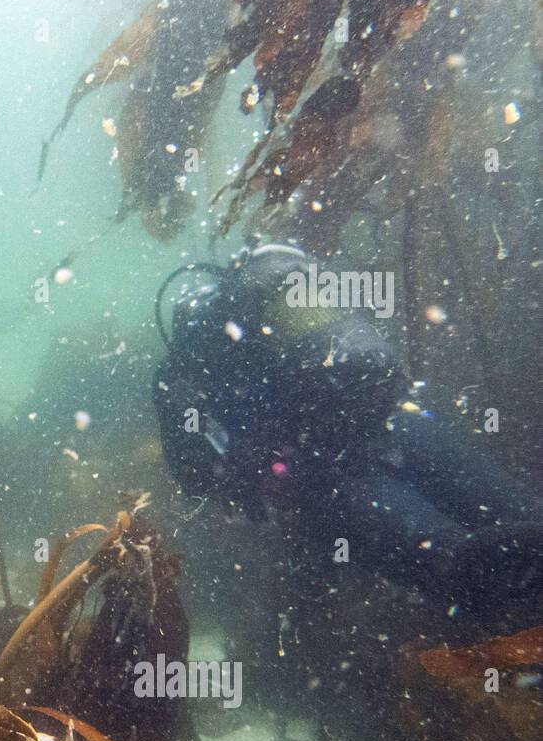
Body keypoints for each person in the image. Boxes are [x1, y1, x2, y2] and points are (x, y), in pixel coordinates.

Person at [153, 243, 543, 615]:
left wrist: (253, 480)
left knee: (456, 562)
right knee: (517, 510)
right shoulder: (289, 320)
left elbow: (198, 477)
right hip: (391, 422)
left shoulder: (187, 369)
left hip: (321, 474)